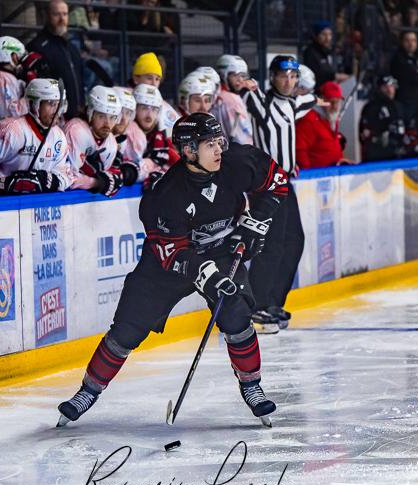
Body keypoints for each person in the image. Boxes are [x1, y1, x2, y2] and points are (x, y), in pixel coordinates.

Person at [55, 113, 289, 427]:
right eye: (209, 144)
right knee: (127, 329)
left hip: (222, 252)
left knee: (235, 313)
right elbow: (173, 253)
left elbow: (277, 181)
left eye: (218, 141)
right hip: (166, 265)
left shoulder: (237, 163)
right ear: (189, 150)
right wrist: (206, 274)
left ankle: (252, 386)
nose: (218, 149)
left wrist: (257, 221)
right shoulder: (166, 195)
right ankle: (88, 391)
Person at [241, 55, 316, 333]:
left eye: (293, 76)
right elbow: (242, 92)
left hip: (285, 181)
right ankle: (256, 306)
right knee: (270, 245)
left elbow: (310, 99)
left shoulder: (293, 103)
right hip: (266, 184)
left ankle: (273, 301)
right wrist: (244, 83)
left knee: (294, 241)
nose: (289, 81)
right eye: (284, 75)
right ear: (272, 77)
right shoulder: (261, 101)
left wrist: (325, 100)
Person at [0, 79, 74, 199]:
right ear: (34, 104)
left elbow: (66, 173)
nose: (57, 111)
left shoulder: (59, 137)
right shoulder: (12, 130)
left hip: (25, 206)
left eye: (59, 104)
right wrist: (1, 185)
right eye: (51, 104)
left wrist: (51, 180)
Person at [63, 85, 126, 196]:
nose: (107, 123)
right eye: (102, 116)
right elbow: (69, 178)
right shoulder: (76, 130)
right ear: (90, 113)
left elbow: (108, 177)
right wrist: (97, 182)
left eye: (112, 117)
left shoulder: (111, 142)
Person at [28, 0, 85, 120]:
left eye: (65, 14)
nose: (62, 19)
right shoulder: (37, 46)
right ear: (47, 16)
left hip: (75, 115)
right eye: (56, 14)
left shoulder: (72, 47)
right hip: (52, 117)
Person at [122, 83, 180, 189]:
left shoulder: (162, 136)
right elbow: (125, 172)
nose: (149, 115)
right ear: (134, 109)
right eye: (144, 108)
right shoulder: (125, 132)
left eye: (154, 109)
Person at [296, 81, 351, 168]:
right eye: (331, 102)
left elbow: (331, 145)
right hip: (318, 174)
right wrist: (308, 174)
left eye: (337, 102)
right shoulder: (310, 120)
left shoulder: (331, 116)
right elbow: (299, 150)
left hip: (334, 171)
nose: (335, 107)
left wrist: (341, 159)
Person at [359, 76, 408, 162]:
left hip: (398, 155)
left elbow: (406, 127)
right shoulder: (371, 107)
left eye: (392, 86)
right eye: (385, 87)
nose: (390, 90)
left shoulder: (399, 106)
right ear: (379, 88)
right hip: (378, 157)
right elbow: (364, 135)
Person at [130, 52, 180, 135]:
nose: (153, 84)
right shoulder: (124, 99)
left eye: (157, 79)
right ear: (136, 79)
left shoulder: (165, 107)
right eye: (149, 78)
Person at [213, 55, 254, 144]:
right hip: (238, 150)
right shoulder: (232, 100)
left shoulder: (217, 96)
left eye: (242, 75)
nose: (240, 80)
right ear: (223, 75)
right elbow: (243, 138)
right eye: (235, 75)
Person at [390, 31, 418, 121]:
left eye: (413, 40)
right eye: (407, 40)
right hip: (406, 101)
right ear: (402, 42)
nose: (411, 44)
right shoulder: (398, 59)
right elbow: (414, 78)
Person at [301, 21, 350, 86]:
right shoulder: (310, 52)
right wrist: (335, 76)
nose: (328, 38)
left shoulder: (328, 51)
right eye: (324, 34)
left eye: (330, 34)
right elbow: (316, 74)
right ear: (316, 36)